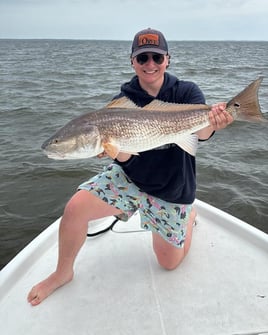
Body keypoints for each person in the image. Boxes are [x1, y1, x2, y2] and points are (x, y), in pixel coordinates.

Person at [28, 28, 233, 306]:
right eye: (143, 58)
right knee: (75, 209)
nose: (150, 64)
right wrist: (116, 153)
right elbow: (127, 159)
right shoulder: (121, 100)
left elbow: (201, 135)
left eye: (157, 58)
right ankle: (62, 273)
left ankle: (189, 214)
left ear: (167, 60)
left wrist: (215, 122)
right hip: (131, 177)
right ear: (132, 62)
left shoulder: (187, 92)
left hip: (171, 186)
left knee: (169, 264)